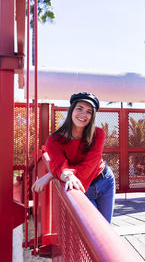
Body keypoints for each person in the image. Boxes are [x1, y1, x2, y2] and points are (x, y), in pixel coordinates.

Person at [31, 92, 115, 223]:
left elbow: (88, 166)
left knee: (106, 227)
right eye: (79, 109)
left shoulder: (98, 134)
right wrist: (61, 172)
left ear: (92, 116)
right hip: (80, 186)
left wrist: (52, 174)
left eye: (89, 111)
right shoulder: (54, 141)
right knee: (93, 226)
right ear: (71, 110)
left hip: (105, 181)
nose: (83, 115)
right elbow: (60, 165)